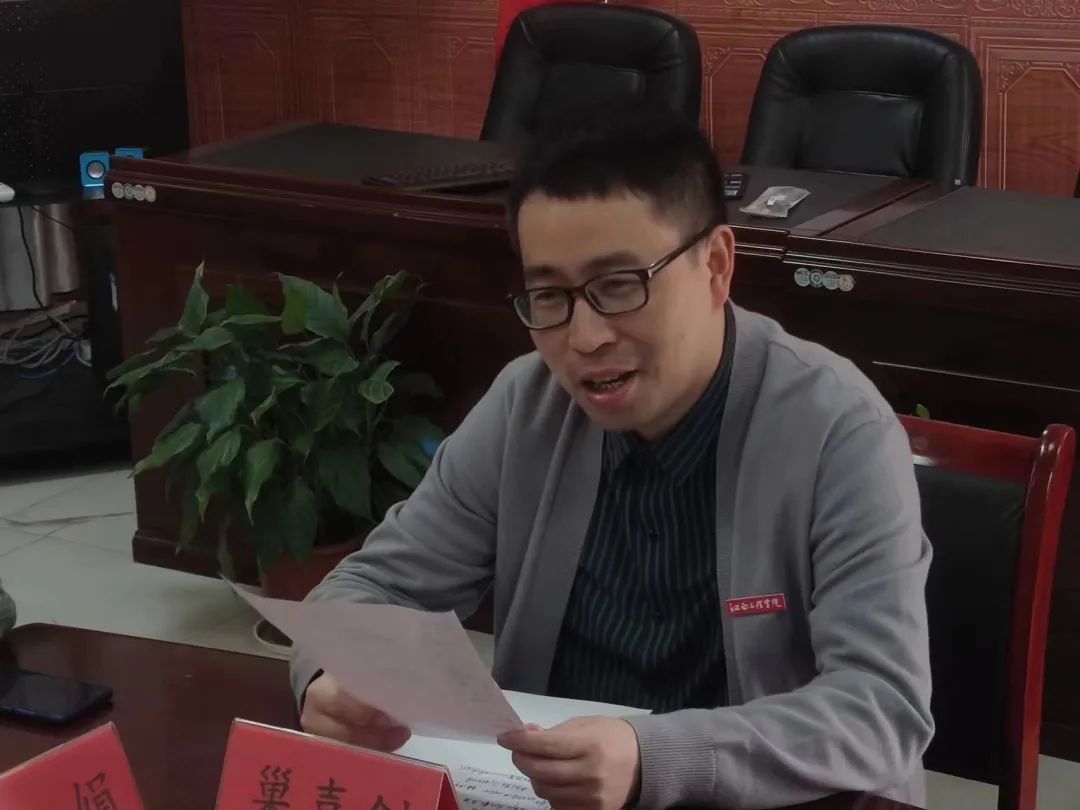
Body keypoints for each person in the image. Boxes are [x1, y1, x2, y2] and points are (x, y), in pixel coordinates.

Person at [290, 105, 933, 810]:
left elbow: (881, 708)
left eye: (620, 286)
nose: (585, 337)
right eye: (550, 295)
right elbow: (373, 588)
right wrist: (333, 677)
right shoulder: (527, 405)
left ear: (716, 266)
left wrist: (650, 756)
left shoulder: (838, 428)